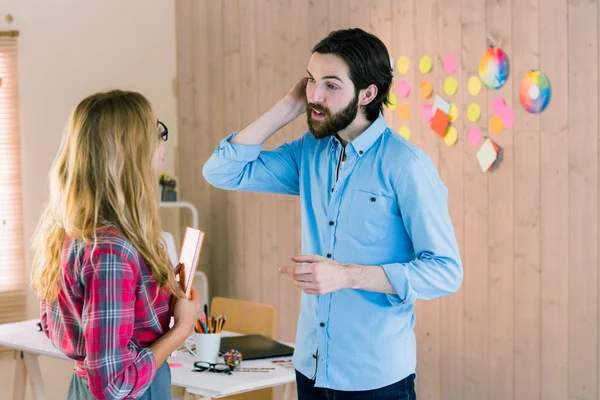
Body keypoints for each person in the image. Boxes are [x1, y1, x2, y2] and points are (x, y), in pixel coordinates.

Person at [203, 28, 463, 399]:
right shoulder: (310, 151)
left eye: (331, 85)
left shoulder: (406, 166)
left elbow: (446, 271)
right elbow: (220, 171)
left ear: (367, 94)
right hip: (310, 366)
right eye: (310, 81)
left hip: (374, 376)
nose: (315, 97)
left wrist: (347, 275)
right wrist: (286, 108)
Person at [31, 90, 201, 400]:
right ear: (132, 152)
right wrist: (181, 329)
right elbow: (112, 386)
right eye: (157, 132)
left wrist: (157, 299)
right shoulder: (113, 252)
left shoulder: (72, 231)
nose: (163, 142)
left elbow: (55, 327)